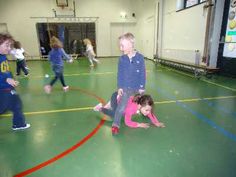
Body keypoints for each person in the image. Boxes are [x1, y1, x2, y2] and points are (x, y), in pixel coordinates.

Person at [111, 32, 146, 135]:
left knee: (139, 104)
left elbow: (142, 74)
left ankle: (139, 114)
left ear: (131, 44)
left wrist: (142, 87)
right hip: (126, 88)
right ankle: (115, 125)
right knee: (121, 107)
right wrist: (120, 87)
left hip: (137, 88)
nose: (121, 48)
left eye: (122, 45)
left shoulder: (140, 58)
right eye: (120, 46)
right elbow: (120, 74)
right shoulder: (122, 59)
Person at [0, 33, 30, 130]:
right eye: (6, 45)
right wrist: (5, 79)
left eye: (10, 46)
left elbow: (6, 71)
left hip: (8, 87)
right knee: (3, 108)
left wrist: (12, 79)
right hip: (2, 89)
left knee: (17, 104)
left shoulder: (3, 56)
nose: (9, 48)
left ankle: (19, 124)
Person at [94, 92, 165, 133]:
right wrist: (139, 124)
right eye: (146, 110)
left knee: (122, 112)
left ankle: (109, 106)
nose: (148, 112)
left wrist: (156, 122)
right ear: (140, 105)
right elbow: (127, 122)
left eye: (149, 110)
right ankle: (100, 108)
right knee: (115, 114)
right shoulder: (131, 108)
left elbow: (150, 114)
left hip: (123, 103)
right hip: (116, 97)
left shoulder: (144, 106)